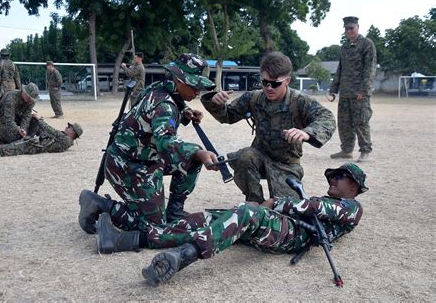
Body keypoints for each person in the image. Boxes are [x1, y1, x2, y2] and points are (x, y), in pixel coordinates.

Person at [140, 163, 367, 285]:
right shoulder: (334, 201)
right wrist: (278, 204)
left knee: (248, 211)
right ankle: (136, 238)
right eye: (333, 175)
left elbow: (314, 208)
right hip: (285, 225)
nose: (333, 179)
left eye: (340, 176)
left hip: (294, 234)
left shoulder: (353, 208)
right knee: (216, 217)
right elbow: (308, 205)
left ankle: (182, 256)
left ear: (354, 187)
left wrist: (275, 202)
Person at [79, 53, 218, 231]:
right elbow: (166, 142)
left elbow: (162, 107)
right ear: (178, 79)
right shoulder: (164, 106)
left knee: (192, 158)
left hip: (143, 158)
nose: (198, 91)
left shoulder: (160, 87)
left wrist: (185, 111)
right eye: (194, 85)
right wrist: (199, 153)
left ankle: (174, 211)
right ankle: (101, 206)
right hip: (129, 166)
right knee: (153, 227)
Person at [201, 51, 336, 203]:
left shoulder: (300, 101)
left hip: (287, 165)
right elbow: (228, 115)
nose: (269, 88)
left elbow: (327, 118)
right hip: (258, 158)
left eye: (275, 83)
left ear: (287, 81)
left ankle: (272, 206)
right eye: (265, 82)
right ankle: (254, 203)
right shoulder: (254, 98)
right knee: (244, 156)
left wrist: (307, 133)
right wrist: (216, 103)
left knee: (287, 209)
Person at [329, 16, 377, 163]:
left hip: (359, 93)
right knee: (344, 123)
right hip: (345, 92)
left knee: (361, 122)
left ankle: (365, 151)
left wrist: (364, 90)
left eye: (352, 28)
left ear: (358, 27)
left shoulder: (367, 44)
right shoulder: (344, 47)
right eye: (346, 28)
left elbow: (370, 68)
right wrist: (333, 89)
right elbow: (340, 69)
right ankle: (347, 150)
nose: (349, 31)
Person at [0, 114, 82, 158]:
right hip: (29, 143)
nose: (67, 127)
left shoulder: (65, 140)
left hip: (28, 146)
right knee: (1, 145)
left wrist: (40, 120)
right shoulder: (64, 139)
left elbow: (50, 131)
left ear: (73, 132)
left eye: (69, 127)